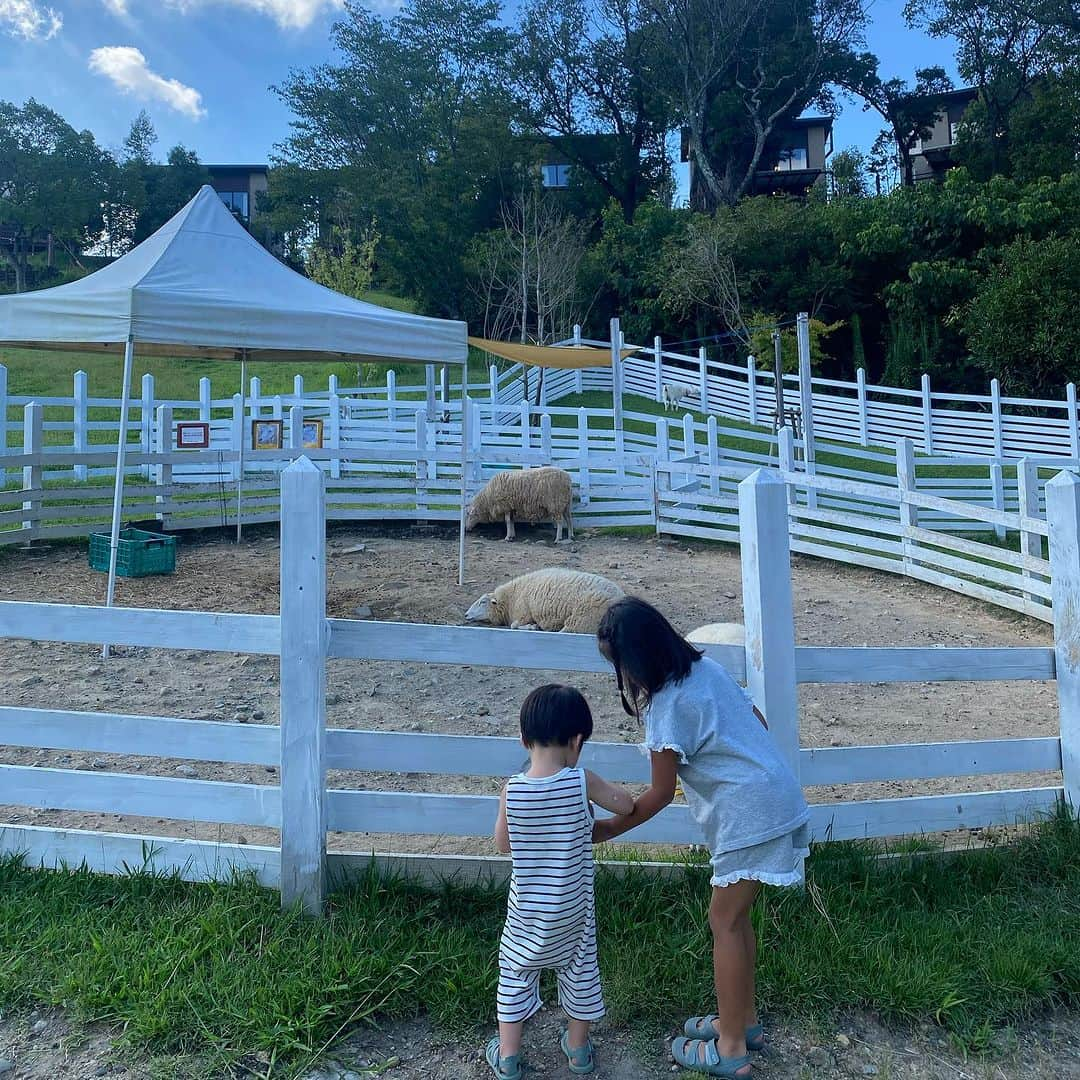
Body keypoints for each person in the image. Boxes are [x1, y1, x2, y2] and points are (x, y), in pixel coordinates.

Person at [594, 597, 809, 1079]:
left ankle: (731, 1049)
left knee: (723, 921)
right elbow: (759, 723)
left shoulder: (665, 707)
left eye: (620, 665)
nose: (623, 676)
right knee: (735, 917)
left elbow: (658, 793)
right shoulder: (706, 671)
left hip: (748, 815)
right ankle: (743, 1020)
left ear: (636, 659)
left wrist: (605, 829)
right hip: (778, 795)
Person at [486, 684, 635, 1080]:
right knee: (580, 971)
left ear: (523, 739)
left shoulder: (511, 790)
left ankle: (509, 1058)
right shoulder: (580, 781)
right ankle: (579, 1051)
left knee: (514, 976)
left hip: (526, 917)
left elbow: (503, 844)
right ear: (576, 740)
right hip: (572, 914)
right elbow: (626, 804)